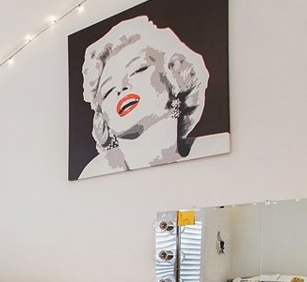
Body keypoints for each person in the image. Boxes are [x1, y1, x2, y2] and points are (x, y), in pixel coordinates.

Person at [79, 15, 227, 178]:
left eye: (138, 70)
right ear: (102, 118)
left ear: (175, 78)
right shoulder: (95, 173)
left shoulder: (218, 149)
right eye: (108, 90)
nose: (121, 88)